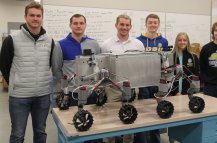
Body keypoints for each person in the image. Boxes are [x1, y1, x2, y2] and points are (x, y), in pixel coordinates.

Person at [0, 2, 54, 143]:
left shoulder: (49, 40)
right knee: (17, 134)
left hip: (42, 95)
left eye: (38, 15)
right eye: (32, 15)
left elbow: (49, 64)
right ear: (25, 17)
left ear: (42, 17)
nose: (35, 18)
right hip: (19, 97)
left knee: (41, 132)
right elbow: (4, 65)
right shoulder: (12, 39)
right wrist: (16, 82)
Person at [101, 14, 144, 143]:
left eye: (127, 25)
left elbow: (141, 66)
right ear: (116, 25)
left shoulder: (138, 44)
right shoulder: (106, 45)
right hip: (113, 89)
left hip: (131, 88)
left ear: (130, 26)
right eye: (122, 24)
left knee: (129, 119)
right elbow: (103, 68)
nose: (124, 27)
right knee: (111, 121)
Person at [52, 14, 101, 106]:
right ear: (70, 25)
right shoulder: (60, 45)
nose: (78, 26)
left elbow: (98, 66)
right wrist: (66, 85)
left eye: (81, 23)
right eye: (75, 23)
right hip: (71, 93)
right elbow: (56, 70)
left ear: (85, 25)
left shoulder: (94, 43)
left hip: (91, 91)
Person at [135, 13, 168, 143]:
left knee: (156, 112)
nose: (153, 25)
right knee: (143, 113)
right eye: (150, 22)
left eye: (155, 22)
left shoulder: (163, 41)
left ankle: (155, 140)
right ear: (146, 24)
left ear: (158, 24)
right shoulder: (138, 41)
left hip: (158, 82)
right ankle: (141, 140)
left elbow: (164, 61)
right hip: (143, 81)